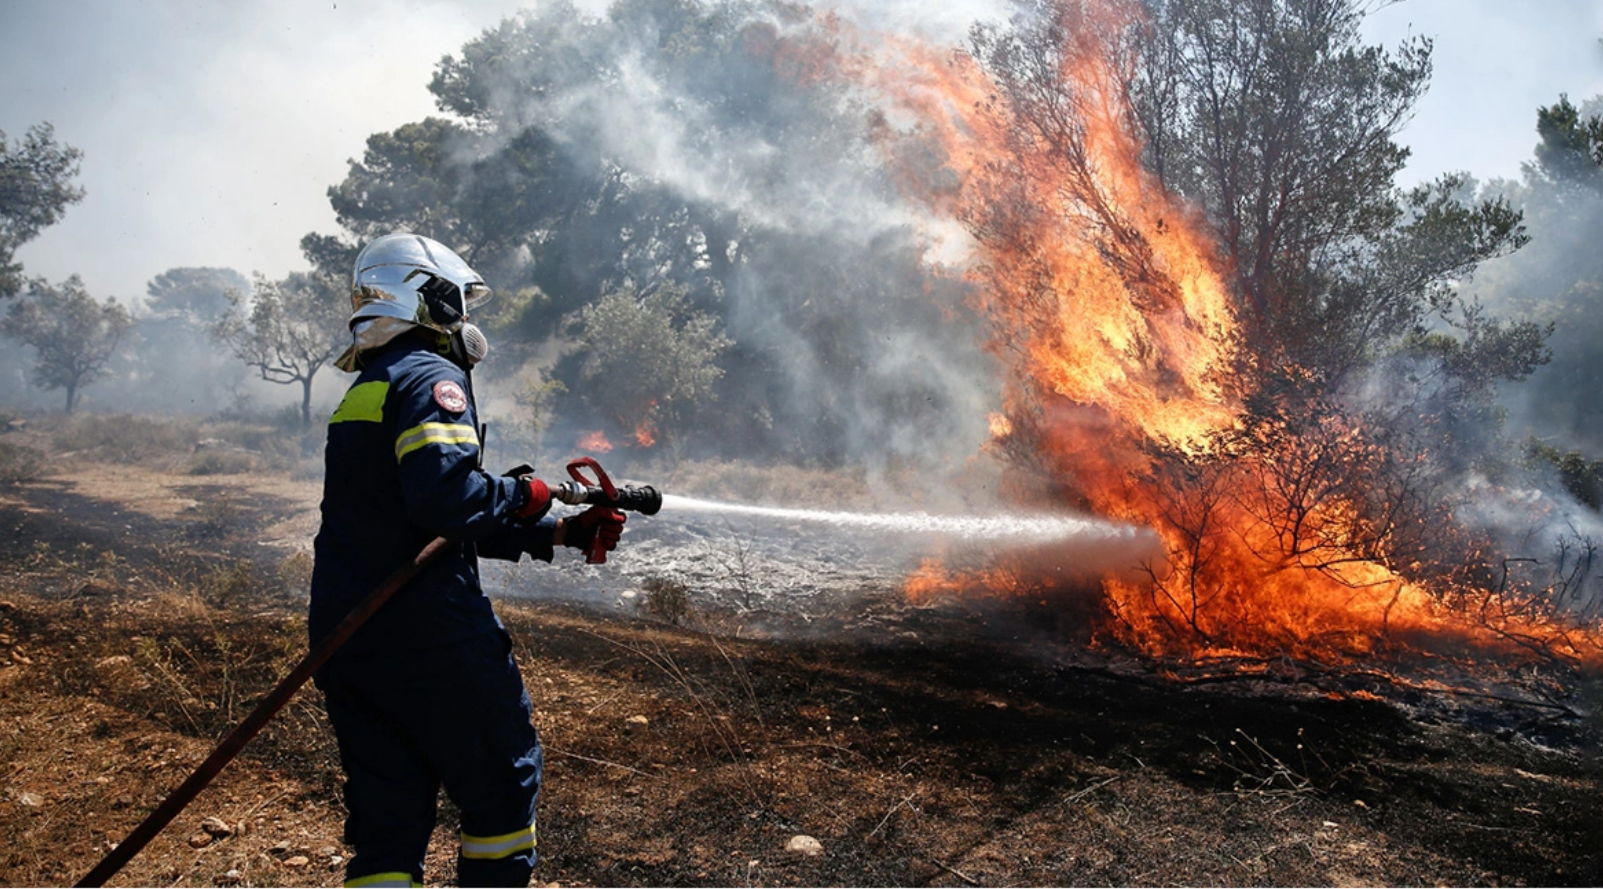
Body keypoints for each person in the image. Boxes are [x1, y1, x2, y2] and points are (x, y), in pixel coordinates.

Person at [309, 232, 625, 888]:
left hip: (351, 641)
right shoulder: (431, 376)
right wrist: (527, 490)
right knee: (501, 794)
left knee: (388, 824)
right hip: (429, 636)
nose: (465, 320)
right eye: (457, 302)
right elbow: (449, 502)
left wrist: (559, 533)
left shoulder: (370, 384)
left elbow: (421, 524)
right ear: (428, 298)